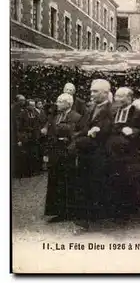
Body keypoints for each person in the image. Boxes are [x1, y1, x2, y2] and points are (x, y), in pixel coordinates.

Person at [72, 79, 113, 234]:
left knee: (96, 188)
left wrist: (88, 136)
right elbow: (84, 128)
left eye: (95, 91)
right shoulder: (92, 108)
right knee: (86, 188)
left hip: (99, 157)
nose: (91, 93)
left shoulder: (111, 110)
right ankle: (88, 221)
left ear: (105, 92)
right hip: (87, 155)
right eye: (91, 91)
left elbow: (104, 134)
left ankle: (92, 222)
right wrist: (80, 137)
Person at [106, 87, 140, 229]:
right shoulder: (114, 112)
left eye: (120, 96)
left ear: (129, 98)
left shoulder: (139, 114)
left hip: (133, 158)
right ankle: (121, 216)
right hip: (117, 158)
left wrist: (134, 131)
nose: (116, 99)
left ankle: (136, 221)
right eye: (116, 96)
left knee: (134, 188)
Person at [42, 93, 82, 223]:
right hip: (55, 154)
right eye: (57, 101)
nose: (57, 103)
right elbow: (50, 134)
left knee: (67, 182)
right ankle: (57, 211)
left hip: (66, 155)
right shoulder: (56, 116)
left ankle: (69, 211)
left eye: (60, 102)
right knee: (55, 182)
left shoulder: (76, 117)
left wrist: (68, 145)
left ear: (68, 103)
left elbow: (76, 135)